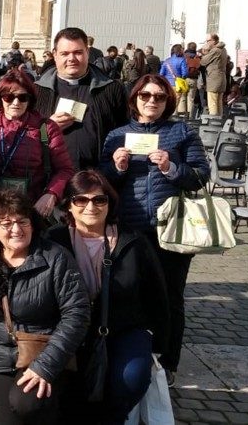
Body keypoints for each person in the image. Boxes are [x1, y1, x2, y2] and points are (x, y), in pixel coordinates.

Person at [100, 74, 208, 384]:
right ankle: (130, 357)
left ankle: (167, 361)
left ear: (168, 102)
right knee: (130, 294)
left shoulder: (181, 132)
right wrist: (116, 167)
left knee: (169, 297)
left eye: (159, 97)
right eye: (145, 96)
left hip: (170, 229)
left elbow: (200, 175)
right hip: (130, 228)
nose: (152, 101)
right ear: (134, 100)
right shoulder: (117, 135)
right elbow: (101, 180)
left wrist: (171, 168)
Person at [47, 170, 169, 423]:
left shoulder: (133, 242)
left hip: (123, 327)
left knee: (130, 379)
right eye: (81, 200)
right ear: (68, 205)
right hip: (70, 330)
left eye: (99, 200)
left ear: (109, 203)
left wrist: (160, 345)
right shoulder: (53, 241)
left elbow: (158, 295)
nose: (90, 206)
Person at [0, 190, 90, 425]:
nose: (16, 229)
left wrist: (46, 367)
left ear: (33, 224)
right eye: (6, 223)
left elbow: (77, 314)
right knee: (2, 419)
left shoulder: (55, 258)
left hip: (42, 352)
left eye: (23, 221)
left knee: (26, 404)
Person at [0, 71, 74, 218]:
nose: (16, 103)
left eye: (22, 97)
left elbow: (65, 169)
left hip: (33, 209)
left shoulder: (46, 128)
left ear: (30, 100)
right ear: (0, 99)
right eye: (9, 97)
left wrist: (51, 193)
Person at [34, 27, 128, 170]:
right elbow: (22, 134)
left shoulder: (112, 89)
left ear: (87, 52)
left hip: (99, 176)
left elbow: (125, 128)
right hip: (51, 177)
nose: (71, 59)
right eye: (64, 53)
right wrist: (47, 128)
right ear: (55, 54)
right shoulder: (36, 91)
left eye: (78, 52)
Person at [200, 33, 228, 116]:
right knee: (219, 102)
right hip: (221, 78)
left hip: (214, 78)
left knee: (212, 103)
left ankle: (213, 122)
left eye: (208, 41)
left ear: (214, 41)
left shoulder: (215, 50)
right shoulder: (223, 49)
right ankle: (219, 121)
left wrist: (204, 54)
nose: (207, 42)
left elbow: (203, 62)